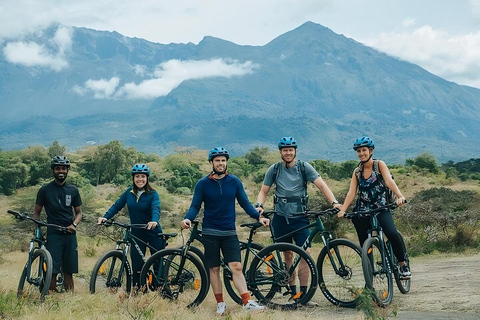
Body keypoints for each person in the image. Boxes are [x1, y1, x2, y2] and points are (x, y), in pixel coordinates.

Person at [180, 147, 269, 315]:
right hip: (210, 232)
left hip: (229, 231)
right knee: (214, 269)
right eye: (217, 160)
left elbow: (245, 203)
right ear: (211, 163)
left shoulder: (234, 182)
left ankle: (247, 302)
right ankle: (220, 303)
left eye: (223, 160)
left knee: (236, 266)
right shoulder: (202, 184)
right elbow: (195, 206)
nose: (220, 163)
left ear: (226, 162)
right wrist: (187, 218)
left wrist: (258, 217)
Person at [256, 136, 341, 303]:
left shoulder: (304, 167)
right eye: (285, 150)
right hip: (281, 217)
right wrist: (259, 205)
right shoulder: (274, 169)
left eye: (290, 150)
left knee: (305, 253)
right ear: (280, 152)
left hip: (300, 217)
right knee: (287, 254)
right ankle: (292, 291)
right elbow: (263, 191)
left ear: (295, 151)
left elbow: (322, 185)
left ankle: (304, 294)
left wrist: (335, 202)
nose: (288, 152)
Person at [337, 136, 411, 278]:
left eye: (364, 150)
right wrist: (343, 209)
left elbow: (389, 181)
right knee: (364, 243)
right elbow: (352, 192)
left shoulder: (379, 165)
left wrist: (400, 196)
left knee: (392, 233)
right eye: (358, 151)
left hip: (381, 207)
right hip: (363, 209)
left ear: (371, 151)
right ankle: (369, 275)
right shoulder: (357, 171)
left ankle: (402, 264)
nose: (361, 153)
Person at [97, 164, 164, 289]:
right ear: (133, 178)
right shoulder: (129, 193)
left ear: (147, 178)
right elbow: (117, 206)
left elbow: (156, 208)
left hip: (153, 232)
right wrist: (106, 217)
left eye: (143, 176)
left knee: (157, 265)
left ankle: (163, 292)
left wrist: (154, 220)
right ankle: (137, 293)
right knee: (137, 266)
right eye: (137, 176)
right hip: (137, 233)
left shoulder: (153, 194)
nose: (140, 179)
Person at [33, 155, 83, 293]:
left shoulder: (73, 190)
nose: (61, 171)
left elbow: (79, 213)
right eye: (58, 168)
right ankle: (51, 299)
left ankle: (69, 300)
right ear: (52, 170)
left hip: (70, 233)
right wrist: (39, 228)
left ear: (67, 170)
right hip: (53, 233)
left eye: (63, 168)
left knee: (69, 270)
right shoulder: (45, 190)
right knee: (52, 269)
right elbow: (36, 212)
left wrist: (74, 225)